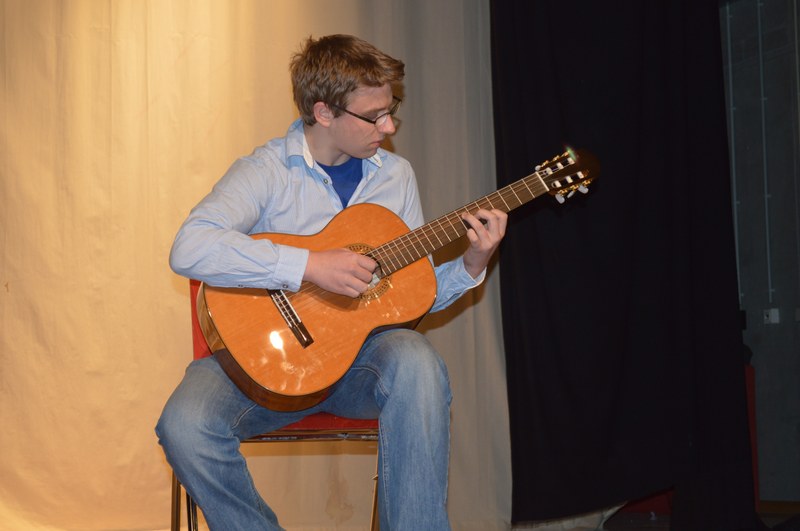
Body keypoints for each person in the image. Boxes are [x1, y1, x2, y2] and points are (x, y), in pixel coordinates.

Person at [156, 34, 507, 530]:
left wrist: (471, 263)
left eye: (391, 110)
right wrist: (309, 265)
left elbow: (411, 295)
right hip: (262, 370)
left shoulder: (396, 177)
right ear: (323, 112)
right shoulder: (266, 171)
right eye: (374, 116)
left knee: (417, 362)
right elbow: (189, 247)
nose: (389, 127)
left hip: (357, 367)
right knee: (184, 426)